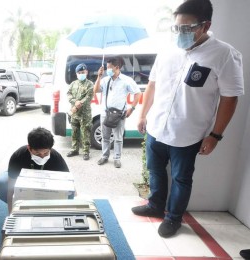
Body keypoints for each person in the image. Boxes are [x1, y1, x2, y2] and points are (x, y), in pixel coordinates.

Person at [131, 0, 244, 238]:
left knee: (181, 178)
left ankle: (173, 218)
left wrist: (215, 135)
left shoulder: (224, 55)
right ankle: (155, 205)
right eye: (176, 28)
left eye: (186, 28)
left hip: (188, 134)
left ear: (205, 25)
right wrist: (143, 115)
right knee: (155, 170)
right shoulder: (168, 51)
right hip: (156, 127)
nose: (180, 33)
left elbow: (230, 99)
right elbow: (152, 84)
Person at [0, 127, 70, 212]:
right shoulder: (18, 156)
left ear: (50, 149)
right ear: (29, 148)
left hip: (46, 184)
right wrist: (11, 213)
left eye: (46, 153)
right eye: (37, 153)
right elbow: (11, 189)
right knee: (0, 183)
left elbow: (69, 183)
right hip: (22, 180)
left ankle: (43, 206)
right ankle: (21, 205)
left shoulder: (56, 157)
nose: (42, 156)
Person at [94, 57, 141, 168]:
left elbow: (138, 93)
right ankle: (104, 156)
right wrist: (99, 76)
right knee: (105, 137)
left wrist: (132, 108)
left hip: (120, 114)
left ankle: (117, 158)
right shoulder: (105, 80)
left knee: (118, 138)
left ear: (117, 67)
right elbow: (95, 90)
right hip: (106, 113)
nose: (107, 70)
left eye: (109, 68)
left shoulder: (126, 80)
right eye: (107, 67)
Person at [66, 63, 94, 160]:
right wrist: (75, 101)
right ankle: (74, 149)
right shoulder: (73, 84)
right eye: (79, 72)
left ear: (86, 72)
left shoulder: (90, 84)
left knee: (85, 133)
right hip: (75, 113)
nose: (81, 74)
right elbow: (68, 94)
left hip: (85, 114)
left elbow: (88, 97)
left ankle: (86, 152)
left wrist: (79, 103)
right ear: (76, 73)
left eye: (83, 72)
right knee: (74, 132)